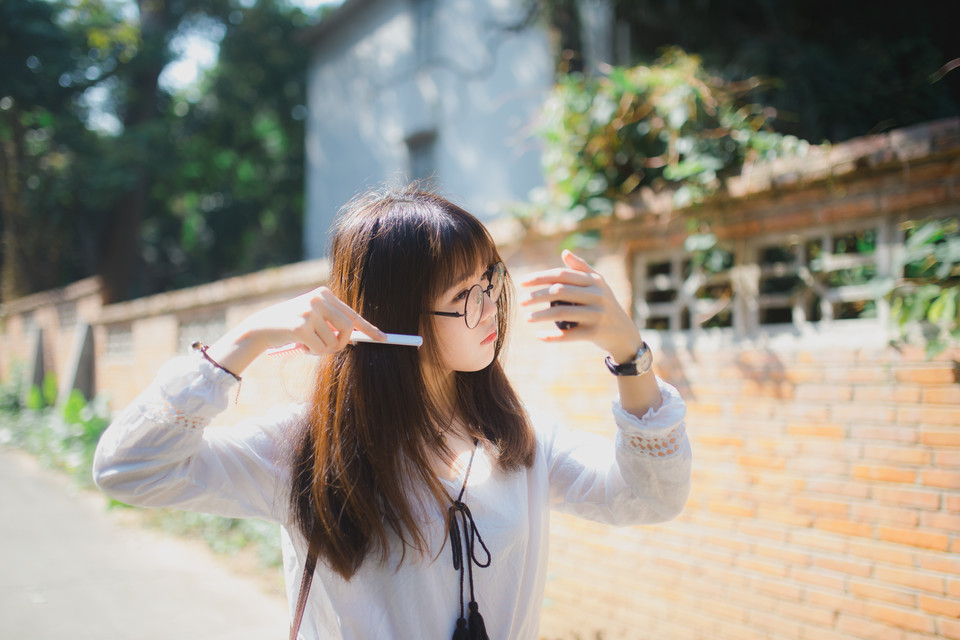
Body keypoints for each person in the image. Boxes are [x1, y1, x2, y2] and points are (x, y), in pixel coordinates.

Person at [93, 185, 691, 640]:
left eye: (491, 283)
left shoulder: (519, 438)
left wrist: (629, 357)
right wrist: (241, 342)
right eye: (464, 296)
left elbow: (647, 497)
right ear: (393, 316)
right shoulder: (306, 450)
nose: (489, 310)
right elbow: (129, 468)